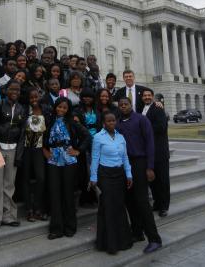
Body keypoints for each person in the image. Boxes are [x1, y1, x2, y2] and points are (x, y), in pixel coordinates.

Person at [117, 97, 162, 254]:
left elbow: (150, 142)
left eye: (126, 104)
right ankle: (137, 233)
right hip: (125, 165)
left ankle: (155, 239)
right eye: (121, 105)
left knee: (142, 201)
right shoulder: (118, 122)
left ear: (131, 105)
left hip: (140, 163)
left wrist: (150, 167)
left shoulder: (141, 120)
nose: (123, 107)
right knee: (129, 200)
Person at [43, 97, 90, 240]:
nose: (61, 110)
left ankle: (70, 226)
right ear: (55, 107)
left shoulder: (72, 122)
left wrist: (78, 150)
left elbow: (87, 136)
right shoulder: (49, 121)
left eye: (64, 108)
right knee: (55, 193)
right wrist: (46, 151)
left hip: (69, 159)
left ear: (68, 109)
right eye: (59, 107)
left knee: (68, 193)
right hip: (53, 159)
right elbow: (43, 139)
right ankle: (56, 229)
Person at [90, 112, 133, 254]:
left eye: (113, 120)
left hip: (119, 175)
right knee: (107, 207)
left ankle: (123, 241)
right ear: (103, 123)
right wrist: (93, 177)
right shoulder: (98, 137)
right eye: (108, 121)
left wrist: (129, 174)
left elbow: (125, 157)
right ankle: (109, 244)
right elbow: (95, 158)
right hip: (105, 176)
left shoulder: (121, 137)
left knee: (119, 206)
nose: (111, 123)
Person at [0, 80, 27, 231]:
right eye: (12, 89)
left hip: (14, 149)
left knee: (9, 185)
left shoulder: (22, 108)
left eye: (17, 89)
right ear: (6, 90)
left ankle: (8, 216)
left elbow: (23, 133)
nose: (15, 92)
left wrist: (19, 155)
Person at [141, 88, 170, 217]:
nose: (147, 97)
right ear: (142, 98)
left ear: (153, 97)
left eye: (149, 95)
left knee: (162, 180)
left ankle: (164, 206)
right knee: (152, 180)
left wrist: (143, 129)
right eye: (145, 95)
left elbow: (161, 127)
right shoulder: (141, 109)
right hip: (147, 152)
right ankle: (157, 203)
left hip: (159, 151)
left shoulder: (158, 108)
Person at [23, 88, 48, 222]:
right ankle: (29, 209)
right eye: (31, 98)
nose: (34, 100)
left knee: (41, 178)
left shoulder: (45, 111)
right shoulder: (24, 110)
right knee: (26, 179)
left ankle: (38, 207)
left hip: (39, 149)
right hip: (26, 149)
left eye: (36, 97)